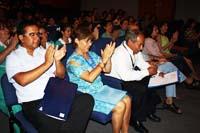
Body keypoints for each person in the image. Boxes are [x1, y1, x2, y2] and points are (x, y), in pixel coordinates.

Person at [6, 20, 94, 133]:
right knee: (55, 121)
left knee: (86, 99)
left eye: (38, 34)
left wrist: (57, 61)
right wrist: (47, 63)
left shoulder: (43, 52)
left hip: (55, 95)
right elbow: (22, 80)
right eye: (32, 34)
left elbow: (61, 75)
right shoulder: (13, 57)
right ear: (21, 38)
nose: (37, 37)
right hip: (33, 101)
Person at [67, 25, 131, 133]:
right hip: (87, 95)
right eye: (87, 41)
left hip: (101, 89)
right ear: (77, 40)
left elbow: (107, 70)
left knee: (127, 99)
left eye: (91, 41)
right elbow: (90, 78)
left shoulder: (91, 54)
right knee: (120, 106)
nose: (90, 44)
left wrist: (108, 58)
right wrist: (103, 61)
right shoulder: (73, 61)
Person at [107, 31, 161, 133]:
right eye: (139, 44)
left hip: (128, 77)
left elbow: (141, 63)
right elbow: (126, 76)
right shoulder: (119, 53)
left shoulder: (134, 50)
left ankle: (147, 110)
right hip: (117, 82)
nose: (141, 48)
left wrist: (156, 71)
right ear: (130, 42)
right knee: (141, 89)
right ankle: (135, 119)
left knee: (151, 81)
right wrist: (147, 72)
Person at [0, 22, 18, 115]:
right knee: (16, 111)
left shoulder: (6, 45)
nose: (7, 30)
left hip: (15, 81)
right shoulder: (8, 46)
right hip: (3, 88)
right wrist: (11, 46)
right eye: (3, 28)